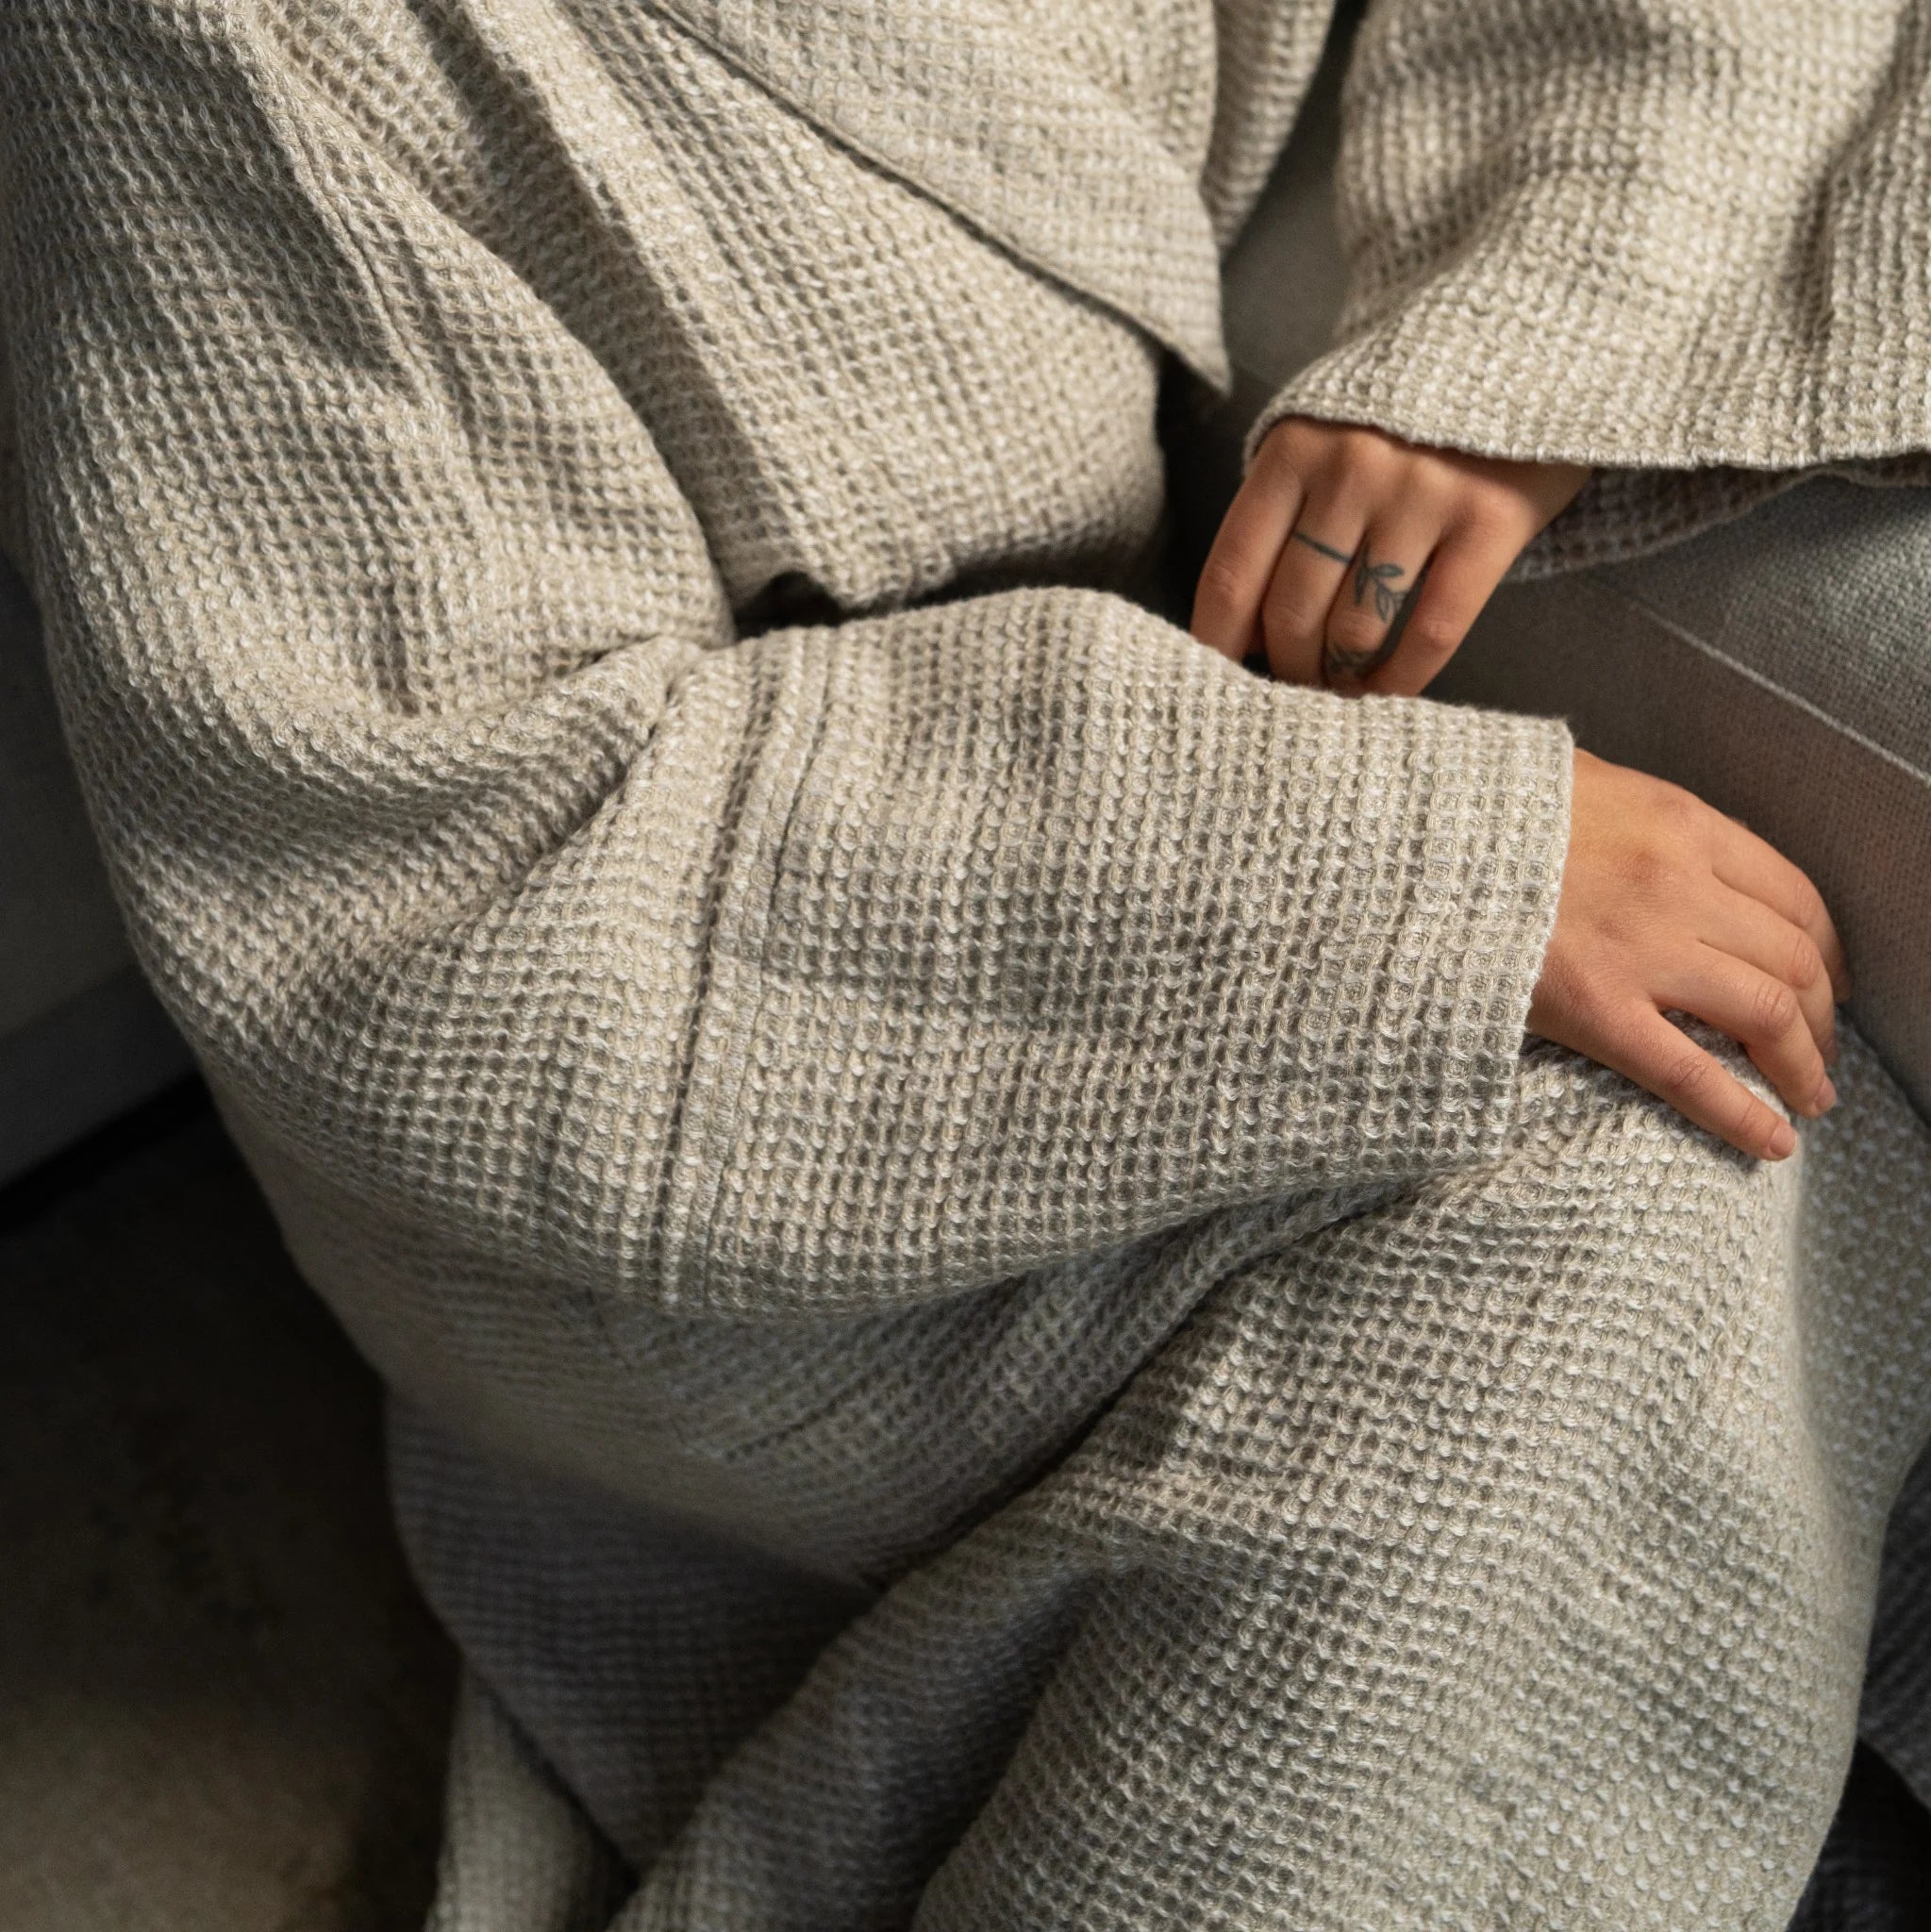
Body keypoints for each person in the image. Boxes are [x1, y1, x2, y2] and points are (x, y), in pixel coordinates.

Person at [3, 1, 1928, 1925]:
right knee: (1672, 1186)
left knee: (1723, 1146)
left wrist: (1525, 322)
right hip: (689, 1095)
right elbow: (431, 882)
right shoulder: (204, 49)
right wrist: (1409, 871)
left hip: (1111, 814)